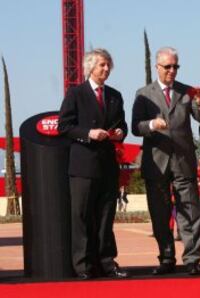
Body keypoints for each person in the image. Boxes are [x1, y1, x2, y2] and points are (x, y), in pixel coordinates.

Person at [131, 47, 200, 275]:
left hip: (183, 160)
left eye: (176, 66)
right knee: (159, 213)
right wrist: (152, 125)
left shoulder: (187, 92)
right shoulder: (143, 94)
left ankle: (192, 259)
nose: (172, 71)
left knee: (191, 212)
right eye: (168, 67)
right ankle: (166, 258)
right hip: (156, 163)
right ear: (157, 67)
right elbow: (136, 127)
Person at [58, 48, 129, 279]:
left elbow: (123, 125)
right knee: (82, 216)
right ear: (90, 67)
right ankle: (83, 265)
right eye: (102, 65)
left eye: (109, 65)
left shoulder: (115, 95)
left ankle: (107, 263)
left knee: (106, 216)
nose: (106, 69)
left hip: (108, 166)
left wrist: (120, 132)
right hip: (83, 166)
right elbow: (64, 126)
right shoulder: (76, 93)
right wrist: (89, 133)